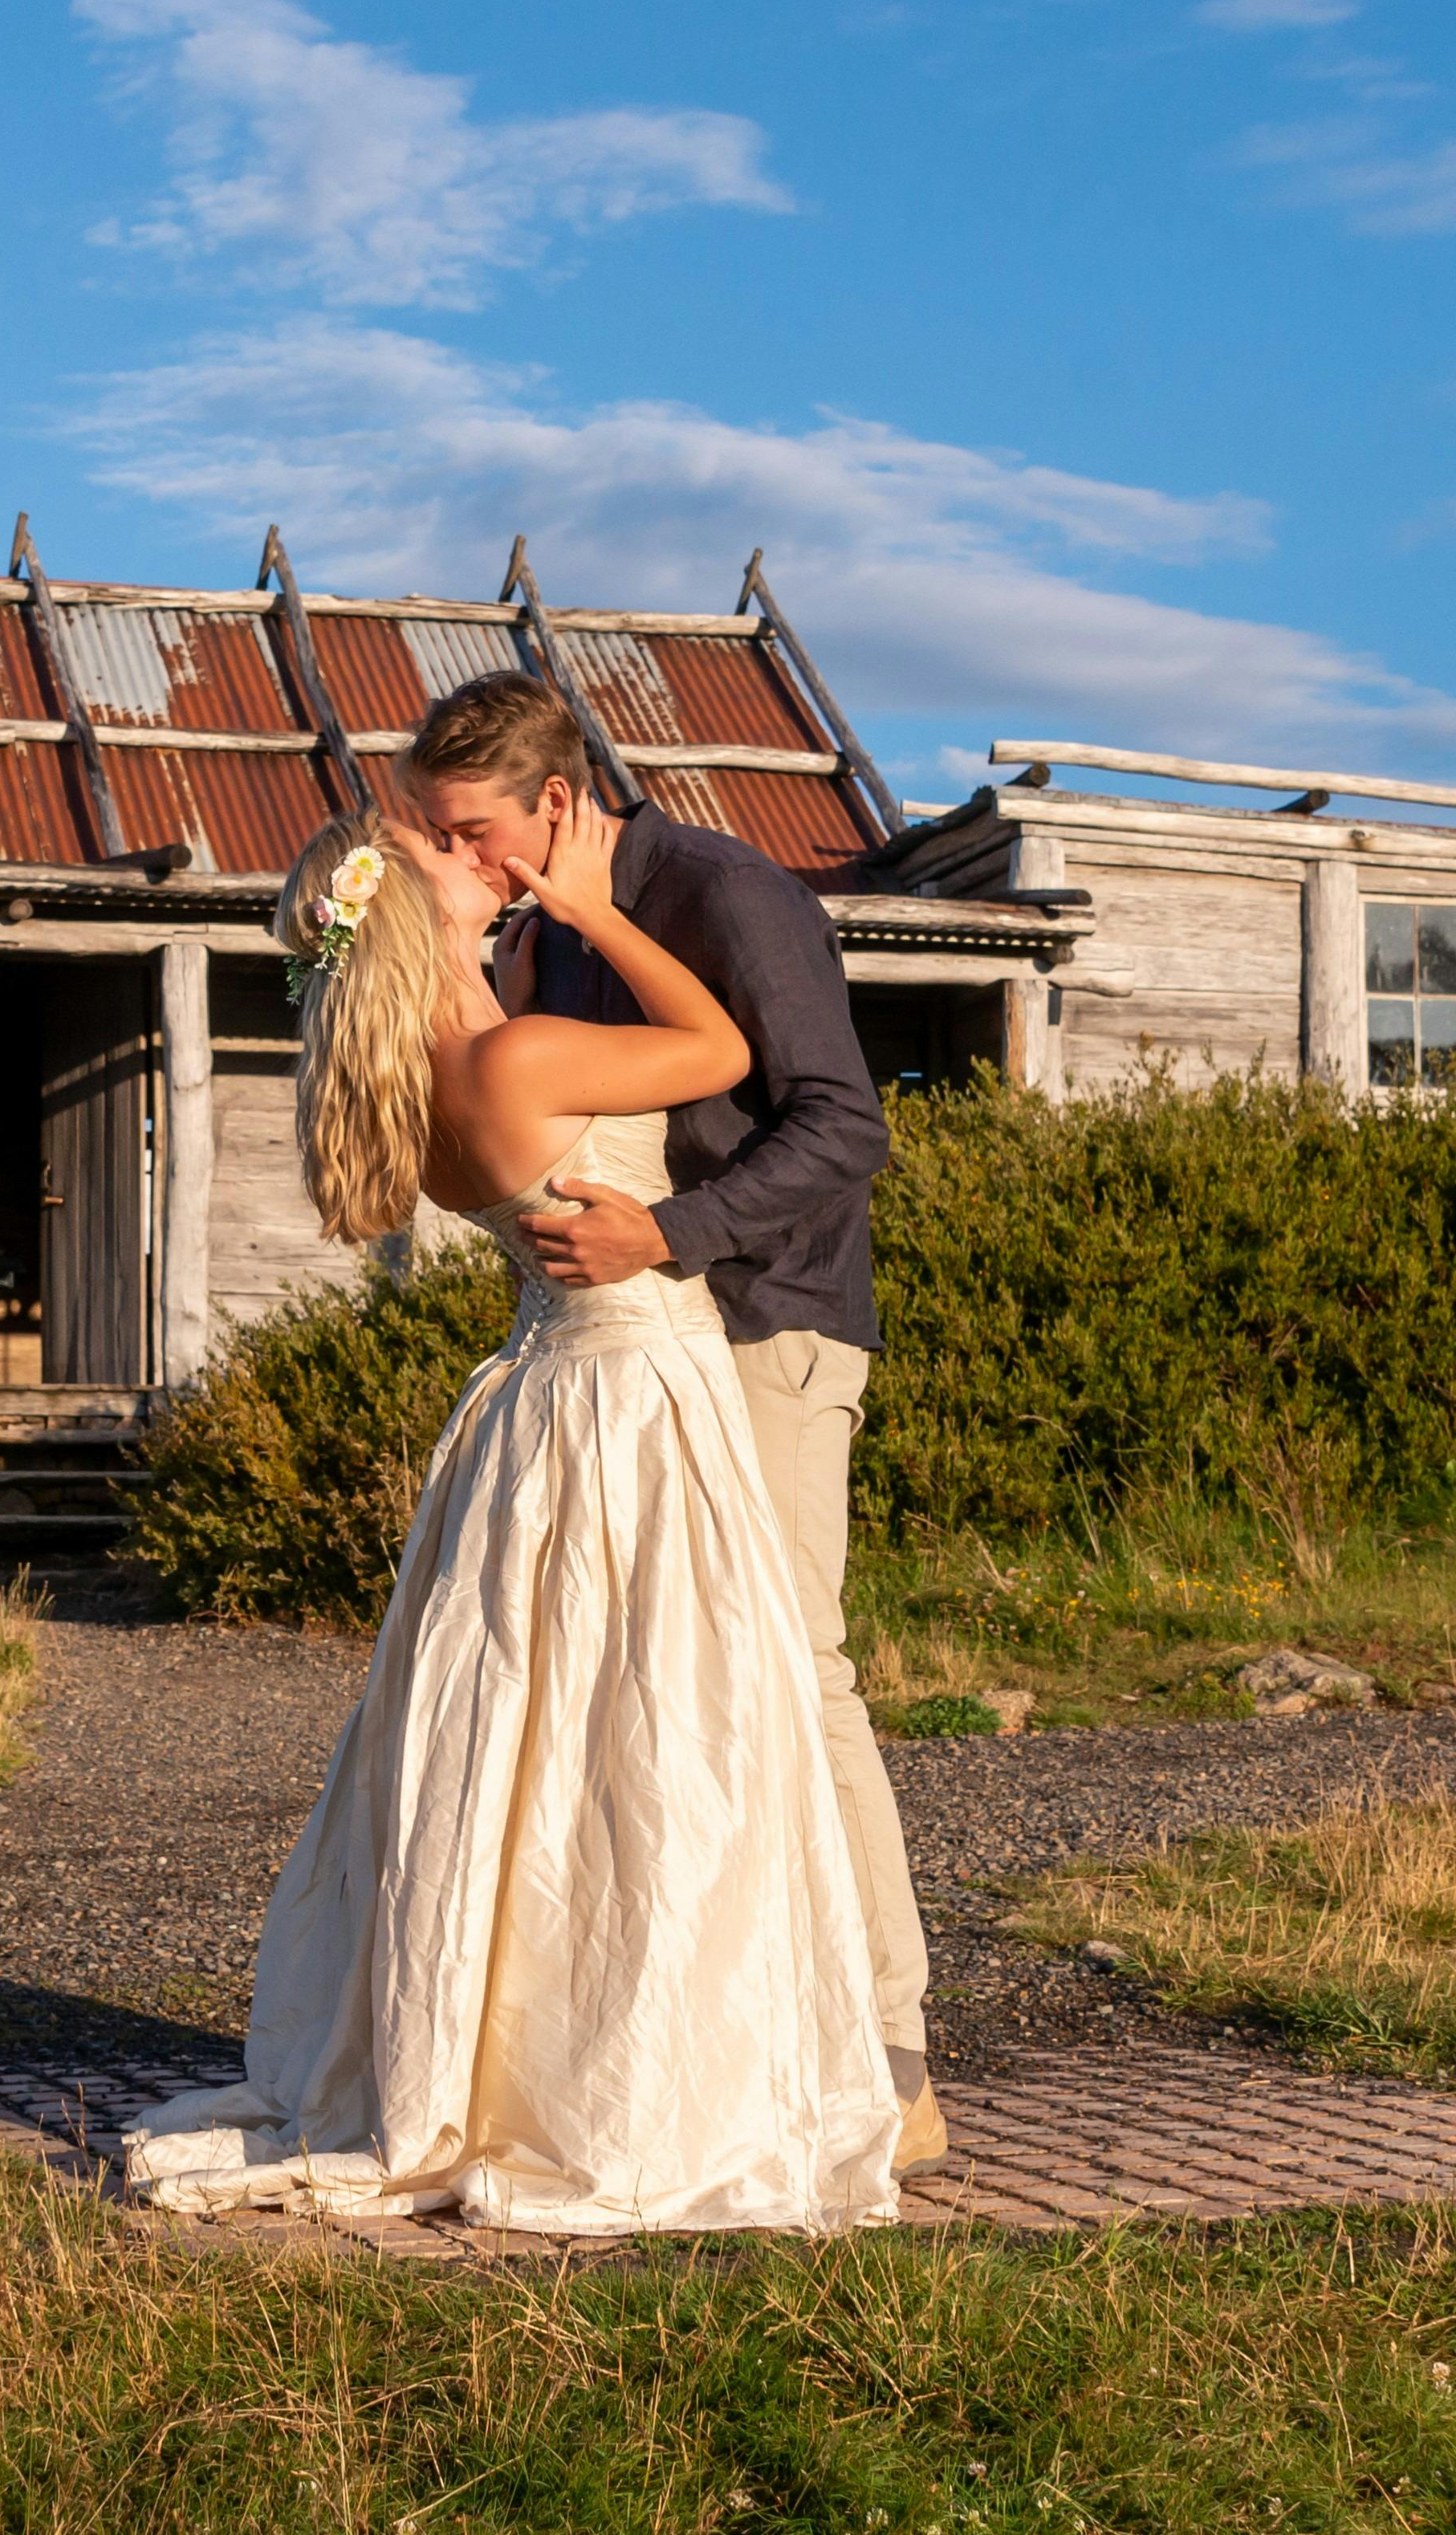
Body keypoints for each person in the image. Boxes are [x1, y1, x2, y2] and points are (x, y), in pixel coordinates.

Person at [119, 785, 905, 2236]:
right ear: (417, 918)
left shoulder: (420, 1093)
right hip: (639, 1396)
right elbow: (726, 1051)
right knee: (662, 1727)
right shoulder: (528, 1051)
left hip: (535, 1400)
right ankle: (636, 2064)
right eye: (442, 856)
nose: (482, 862)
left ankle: (502, 2051)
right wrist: (605, 909)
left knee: (523, 1732)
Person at [405, 671, 941, 2170]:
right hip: (635, 1367)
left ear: (558, 806)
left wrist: (673, 1235)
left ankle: (891, 2056)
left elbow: (844, 1124)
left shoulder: (723, 892)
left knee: (796, 1675)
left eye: (475, 831)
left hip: (765, 1328)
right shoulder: (532, 940)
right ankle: (698, 2045)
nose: (463, 861)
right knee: (652, 1703)